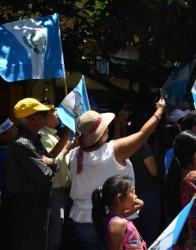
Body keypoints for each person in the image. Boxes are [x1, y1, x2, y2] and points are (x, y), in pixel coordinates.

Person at [69, 98, 166, 249]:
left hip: (81, 220)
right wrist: (159, 112)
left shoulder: (75, 154)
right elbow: (143, 134)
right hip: (111, 221)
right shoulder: (114, 150)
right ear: (101, 135)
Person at [6, 98, 58, 250]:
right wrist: (51, 165)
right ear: (32, 119)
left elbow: (50, 162)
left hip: (37, 203)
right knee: (31, 242)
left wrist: (52, 163)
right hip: (28, 205)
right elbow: (44, 176)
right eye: (43, 113)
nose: (46, 115)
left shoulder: (34, 140)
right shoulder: (23, 143)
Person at [40, 106, 76, 250]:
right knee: (55, 230)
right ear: (43, 118)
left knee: (61, 229)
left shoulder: (53, 135)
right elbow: (49, 160)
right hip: (54, 191)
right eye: (53, 112)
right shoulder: (42, 136)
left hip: (64, 190)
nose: (57, 114)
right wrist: (66, 148)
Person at [92, 175, 146, 249]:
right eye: (132, 191)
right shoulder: (117, 223)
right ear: (120, 198)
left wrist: (132, 198)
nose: (136, 196)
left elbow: (140, 204)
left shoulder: (119, 216)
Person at [0, 117, 18, 250]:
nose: (15, 129)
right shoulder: (6, 155)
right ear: (3, 136)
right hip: (11, 202)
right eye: (11, 129)